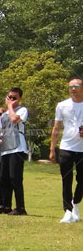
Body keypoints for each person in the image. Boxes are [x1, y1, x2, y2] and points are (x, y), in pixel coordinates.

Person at [49, 76, 83, 223]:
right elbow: (56, 128)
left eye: (76, 86)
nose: (73, 89)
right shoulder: (62, 105)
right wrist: (52, 149)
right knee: (66, 179)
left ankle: (75, 202)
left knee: (81, 180)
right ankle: (67, 210)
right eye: (70, 87)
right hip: (66, 147)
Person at [0, 88, 29, 216]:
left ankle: (20, 207)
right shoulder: (3, 115)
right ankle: (6, 205)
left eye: (14, 98)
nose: (11, 100)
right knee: (3, 178)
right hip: (6, 149)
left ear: (20, 98)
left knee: (15, 177)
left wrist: (9, 106)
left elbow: (15, 119)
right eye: (9, 97)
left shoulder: (22, 110)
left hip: (18, 147)